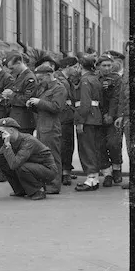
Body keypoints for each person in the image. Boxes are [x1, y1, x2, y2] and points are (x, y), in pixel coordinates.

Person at [26, 59, 66, 194]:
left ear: (49, 75)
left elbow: (56, 107)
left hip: (51, 127)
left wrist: (39, 102)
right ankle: (47, 182)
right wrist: (33, 106)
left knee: (53, 156)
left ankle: (54, 185)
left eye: (41, 78)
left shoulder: (59, 88)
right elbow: (43, 109)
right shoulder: (46, 88)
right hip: (42, 126)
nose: (39, 82)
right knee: (44, 157)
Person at [0, 117, 57, 200]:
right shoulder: (9, 140)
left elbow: (15, 164)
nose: (0, 134)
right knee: (3, 163)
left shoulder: (28, 141)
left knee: (21, 166)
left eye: (2, 132)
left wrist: (7, 145)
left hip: (48, 170)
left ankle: (38, 191)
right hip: (32, 166)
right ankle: (20, 190)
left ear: (11, 130)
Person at [73, 56, 104, 192]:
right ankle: (94, 178)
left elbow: (84, 104)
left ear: (81, 66)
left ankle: (91, 179)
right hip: (95, 117)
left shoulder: (85, 80)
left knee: (86, 149)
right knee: (94, 148)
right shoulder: (95, 79)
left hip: (86, 119)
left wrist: (80, 121)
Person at [97, 57, 123, 187]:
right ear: (98, 66)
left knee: (113, 143)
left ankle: (117, 168)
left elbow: (116, 98)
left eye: (109, 65)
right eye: (104, 65)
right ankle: (107, 173)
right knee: (100, 145)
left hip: (112, 117)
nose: (107, 68)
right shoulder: (95, 78)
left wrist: (111, 115)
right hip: (97, 117)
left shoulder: (117, 79)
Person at [55, 56, 79, 185]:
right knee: (65, 145)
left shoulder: (65, 79)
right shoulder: (61, 80)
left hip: (65, 117)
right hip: (63, 117)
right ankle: (65, 173)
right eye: (74, 67)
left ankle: (65, 171)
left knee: (66, 145)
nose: (76, 70)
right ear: (67, 67)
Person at [1, 53, 37, 134]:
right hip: (16, 119)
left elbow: (27, 100)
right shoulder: (19, 76)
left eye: (12, 68)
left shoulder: (29, 78)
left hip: (24, 121)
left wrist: (11, 95)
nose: (10, 71)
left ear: (19, 63)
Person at [115, 55, 131, 190]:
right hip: (127, 117)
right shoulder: (127, 73)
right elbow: (122, 97)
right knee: (131, 149)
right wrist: (120, 115)